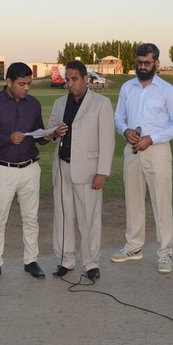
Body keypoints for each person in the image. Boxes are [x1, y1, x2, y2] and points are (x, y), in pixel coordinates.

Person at [112, 43, 173, 273]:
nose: (143, 66)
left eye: (147, 62)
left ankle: (165, 253)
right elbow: (118, 117)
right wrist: (125, 131)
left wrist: (151, 139)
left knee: (161, 201)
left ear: (156, 63)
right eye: (139, 62)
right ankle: (134, 247)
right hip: (132, 150)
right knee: (132, 199)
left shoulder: (166, 90)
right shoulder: (127, 88)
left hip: (158, 151)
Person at [0, 62, 50, 282]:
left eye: (29, 83)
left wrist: (48, 136)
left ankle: (31, 261)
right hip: (3, 170)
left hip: (30, 168)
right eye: (22, 84)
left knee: (31, 218)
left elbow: (38, 135)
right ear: (9, 82)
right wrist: (7, 138)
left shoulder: (34, 104)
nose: (26, 88)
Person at [46, 60, 115, 280]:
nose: (70, 84)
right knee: (63, 217)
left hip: (89, 171)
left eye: (74, 79)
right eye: (67, 80)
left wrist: (102, 172)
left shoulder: (101, 103)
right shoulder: (59, 103)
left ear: (86, 79)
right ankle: (65, 259)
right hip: (62, 168)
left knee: (89, 219)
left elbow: (107, 140)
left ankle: (91, 263)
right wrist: (54, 132)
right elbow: (49, 131)